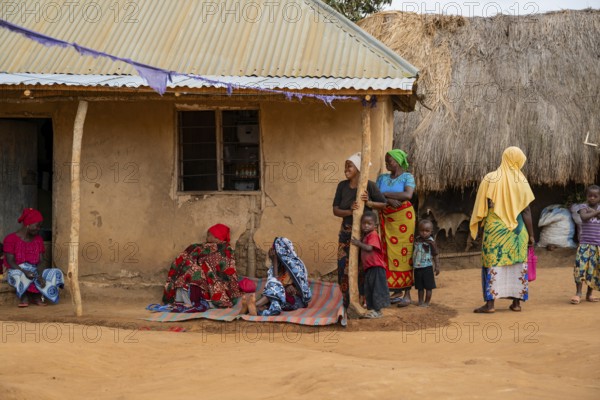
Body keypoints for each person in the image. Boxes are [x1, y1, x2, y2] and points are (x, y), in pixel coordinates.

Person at [470, 146, 535, 313]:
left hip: (495, 229)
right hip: (518, 231)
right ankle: (516, 303)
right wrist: (531, 236)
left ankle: (490, 305)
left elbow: (482, 207)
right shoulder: (521, 180)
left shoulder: (490, 178)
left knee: (492, 263)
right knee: (517, 264)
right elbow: (526, 211)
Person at [332, 152, 386, 309]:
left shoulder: (369, 185)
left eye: (349, 166)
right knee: (343, 268)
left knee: (363, 267)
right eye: (345, 166)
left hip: (365, 235)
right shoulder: (342, 186)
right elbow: (335, 210)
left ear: (358, 168)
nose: (346, 169)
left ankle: (364, 300)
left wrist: (368, 202)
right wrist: (351, 211)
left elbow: (383, 204)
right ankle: (346, 302)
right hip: (346, 234)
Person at [162, 223, 242, 312]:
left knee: (195, 273)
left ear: (217, 237)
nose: (207, 237)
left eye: (209, 235)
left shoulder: (225, 250)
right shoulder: (201, 247)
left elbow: (226, 269)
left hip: (215, 283)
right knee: (190, 272)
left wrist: (204, 268)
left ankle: (197, 301)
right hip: (203, 277)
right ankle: (187, 301)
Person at [375, 149, 417, 307]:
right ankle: (396, 291)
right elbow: (376, 195)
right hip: (387, 218)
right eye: (386, 161)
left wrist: (385, 195)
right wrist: (389, 199)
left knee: (405, 253)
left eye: (389, 161)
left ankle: (407, 293)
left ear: (398, 162)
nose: (387, 164)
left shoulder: (408, 177)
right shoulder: (382, 178)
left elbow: (407, 196)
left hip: (403, 220)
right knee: (388, 253)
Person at [3, 208, 64, 307]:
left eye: (40, 226)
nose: (39, 229)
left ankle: (36, 295)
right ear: (28, 224)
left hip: (33, 271)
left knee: (55, 272)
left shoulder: (38, 240)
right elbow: (10, 262)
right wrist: (24, 271)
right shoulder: (10, 239)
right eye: (37, 226)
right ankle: (25, 296)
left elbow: (40, 261)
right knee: (20, 275)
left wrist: (39, 274)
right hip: (16, 269)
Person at [241, 237, 311, 316]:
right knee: (271, 298)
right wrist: (274, 261)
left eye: (275, 252)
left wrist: (293, 289)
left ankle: (251, 307)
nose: (274, 253)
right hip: (278, 297)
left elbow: (305, 294)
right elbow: (274, 282)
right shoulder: (278, 266)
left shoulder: (297, 266)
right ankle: (252, 309)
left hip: (295, 300)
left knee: (274, 292)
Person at [351, 211, 390, 318]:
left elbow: (369, 248)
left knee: (376, 288)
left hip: (376, 267)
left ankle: (378, 311)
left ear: (375, 226)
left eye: (369, 223)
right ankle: (372, 310)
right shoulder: (366, 236)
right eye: (364, 223)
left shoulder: (373, 234)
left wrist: (358, 243)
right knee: (370, 289)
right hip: (369, 268)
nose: (366, 226)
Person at [570, 185, 600, 304]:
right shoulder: (583, 207)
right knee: (580, 268)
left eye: (595, 196)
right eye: (589, 195)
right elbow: (584, 217)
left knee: (593, 270)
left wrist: (594, 212)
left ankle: (589, 294)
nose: (592, 198)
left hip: (598, 245)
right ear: (586, 196)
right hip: (584, 244)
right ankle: (578, 293)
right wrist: (596, 212)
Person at [412, 219, 440, 307]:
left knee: (428, 287)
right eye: (422, 230)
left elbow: (435, 255)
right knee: (420, 287)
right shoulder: (417, 240)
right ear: (418, 231)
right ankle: (420, 301)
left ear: (431, 232)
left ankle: (427, 302)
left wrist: (437, 266)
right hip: (417, 268)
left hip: (427, 267)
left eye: (427, 231)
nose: (424, 233)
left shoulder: (431, 242)